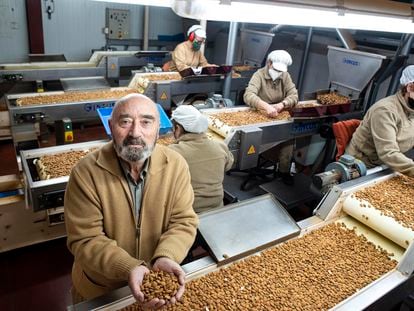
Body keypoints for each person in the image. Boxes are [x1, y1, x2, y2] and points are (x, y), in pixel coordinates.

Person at [65, 94, 198, 309]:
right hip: (101, 290)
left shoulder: (176, 165)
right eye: (125, 122)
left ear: (158, 128)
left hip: (154, 283)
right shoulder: (85, 173)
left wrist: (167, 255)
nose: (135, 133)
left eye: (146, 122)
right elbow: (86, 239)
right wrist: (129, 268)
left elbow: (183, 221)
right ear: (110, 126)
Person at [345, 65, 414, 177]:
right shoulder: (385, 110)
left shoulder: (412, 109)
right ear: (409, 88)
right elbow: (388, 153)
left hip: (387, 166)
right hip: (362, 167)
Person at [243, 50, 299, 184]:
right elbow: (249, 95)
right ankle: (251, 165)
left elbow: (294, 96)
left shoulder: (285, 76)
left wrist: (282, 104)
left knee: (289, 138)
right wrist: (265, 106)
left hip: (278, 115)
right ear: (269, 63)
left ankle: (283, 171)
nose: (278, 73)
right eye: (276, 69)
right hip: (260, 114)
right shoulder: (259, 75)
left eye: (281, 71)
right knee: (254, 140)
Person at [169, 105, 234, 213]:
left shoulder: (172, 153)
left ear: (177, 128)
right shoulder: (220, 146)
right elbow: (228, 165)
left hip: (185, 215)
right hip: (217, 209)